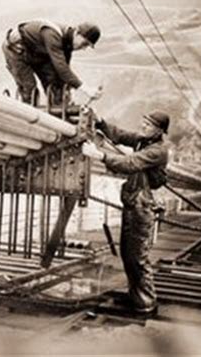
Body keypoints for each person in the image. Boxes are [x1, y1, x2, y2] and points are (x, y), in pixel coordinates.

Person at [82, 110, 170, 315]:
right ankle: (137, 297)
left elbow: (130, 164)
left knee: (137, 257)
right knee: (128, 255)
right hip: (133, 205)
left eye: (148, 125)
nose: (143, 127)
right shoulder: (144, 141)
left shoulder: (158, 150)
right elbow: (120, 135)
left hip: (141, 208)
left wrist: (99, 155)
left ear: (159, 130)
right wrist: (101, 121)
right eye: (144, 122)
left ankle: (146, 304)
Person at [2, 19, 101, 104]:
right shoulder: (52, 35)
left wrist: (66, 92)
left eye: (87, 46)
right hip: (16, 52)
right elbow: (62, 68)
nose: (83, 48)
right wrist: (85, 88)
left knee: (55, 86)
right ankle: (28, 118)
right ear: (76, 33)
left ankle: (60, 112)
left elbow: (63, 70)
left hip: (38, 53)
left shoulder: (67, 43)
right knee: (29, 89)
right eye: (84, 43)